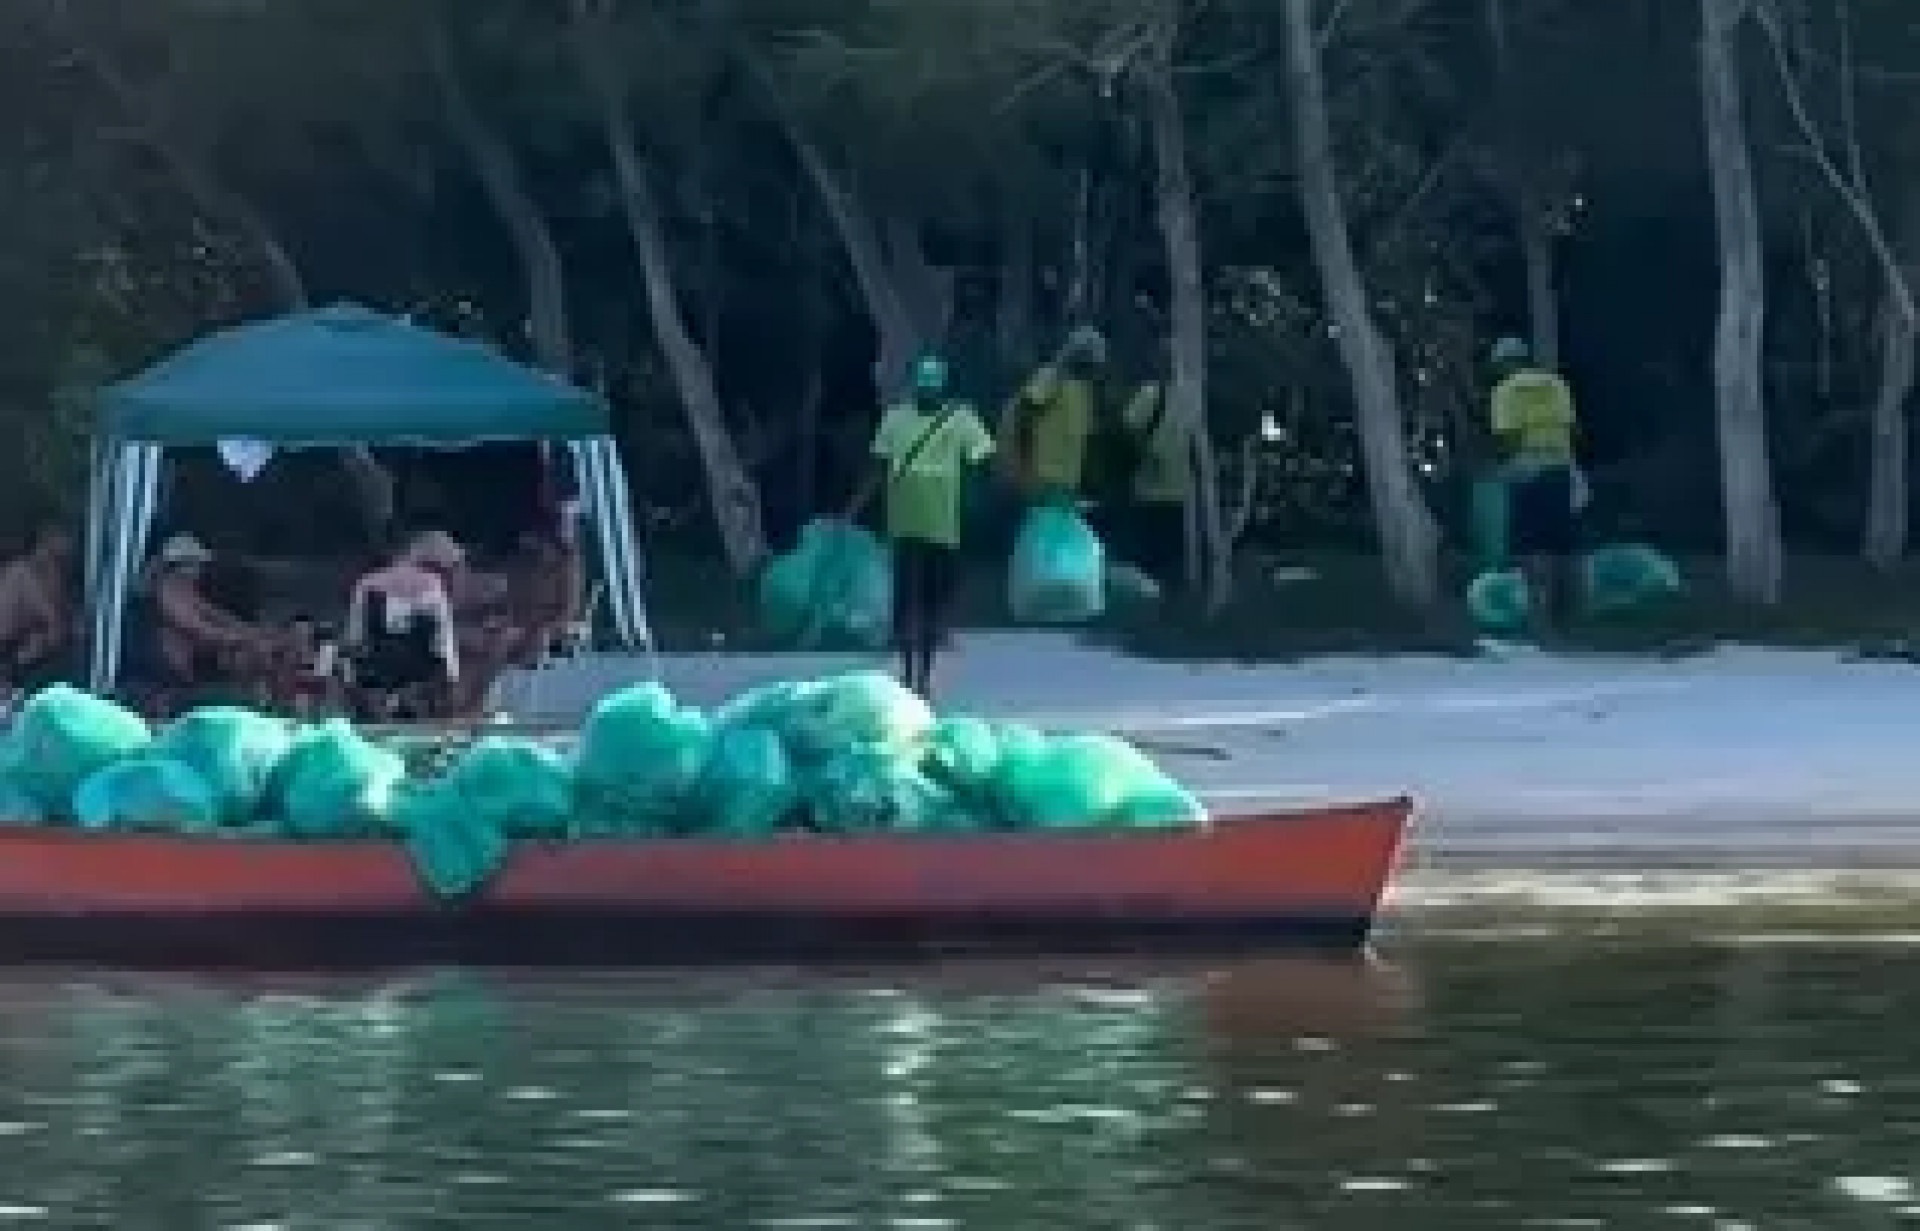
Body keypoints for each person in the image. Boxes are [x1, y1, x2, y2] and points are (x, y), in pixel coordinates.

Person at [849, 353, 994, 699]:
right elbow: (983, 461)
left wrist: (854, 506)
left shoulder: (923, 419)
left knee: (916, 601)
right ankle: (917, 675)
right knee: (922, 603)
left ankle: (916, 675)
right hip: (927, 525)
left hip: (924, 524)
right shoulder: (952, 419)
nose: (927, 395)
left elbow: (877, 468)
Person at [1488, 336, 1582, 632]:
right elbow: (1572, 428)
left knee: (1528, 542)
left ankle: (1537, 610)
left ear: (1506, 363)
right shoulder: (1556, 384)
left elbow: (1508, 436)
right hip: (1559, 466)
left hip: (1527, 468)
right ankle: (1564, 609)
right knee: (1560, 541)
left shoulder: (1505, 391)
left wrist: (1506, 464)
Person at [126, 533, 279, 715]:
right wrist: (240, 638)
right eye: (194, 563)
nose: (199, 569)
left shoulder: (185, 590)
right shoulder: (166, 588)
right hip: (160, 671)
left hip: (180, 673)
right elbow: (196, 627)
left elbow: (215, 615)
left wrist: (256, 633)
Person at [343, 530, 463, 721]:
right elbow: (444, 648)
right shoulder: (433, 586)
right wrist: (452, 689)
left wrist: (352, 686)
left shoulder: (366, 585)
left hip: (375, 687)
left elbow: (355, 642)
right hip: (418, 691)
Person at [999, 326, 1107, 503]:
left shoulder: (1085, 393)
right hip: (1038, 480)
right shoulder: (1052, 377)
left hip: (1063, 487)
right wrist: (1024, 468)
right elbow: (1024, 417)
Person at [1112, 358, 1191, 596]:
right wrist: (1147, 456)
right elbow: (1127, 431)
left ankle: (1169, 607)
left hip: (1180, 496)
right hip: (1153, 493)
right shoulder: (1154, 394)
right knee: (1152, 560)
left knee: (1168, 562)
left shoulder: (1193, 399)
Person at [0, 524, 76, 699]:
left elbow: (62, 622)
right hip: (9, 650)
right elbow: (52, 619)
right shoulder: (21, 572)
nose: (71, 544)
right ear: (47, 538)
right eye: (66, 536)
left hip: (23, 655)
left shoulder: (56, 575)